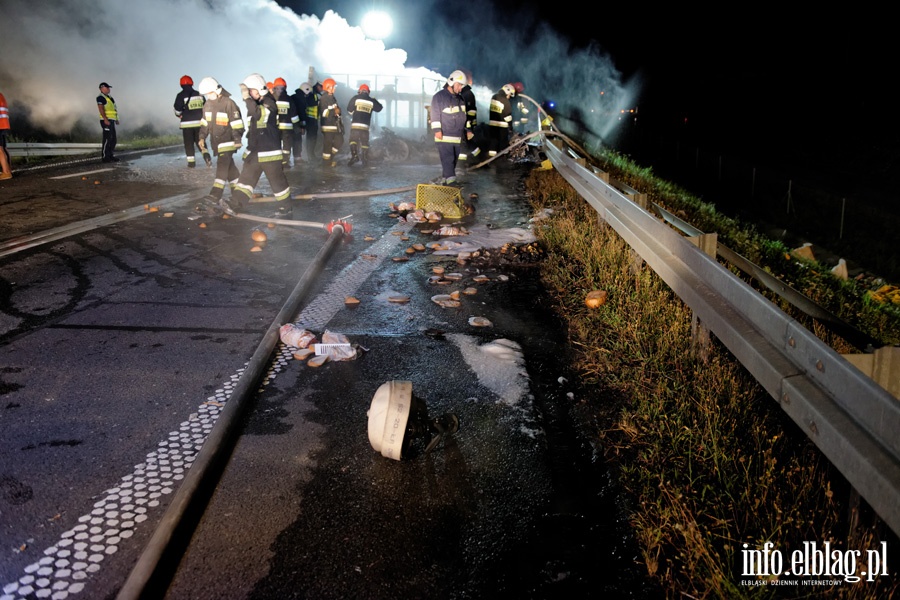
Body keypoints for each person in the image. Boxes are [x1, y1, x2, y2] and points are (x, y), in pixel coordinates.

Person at [230, 73, 291, 212]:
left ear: (259, 89)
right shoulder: (258, 104)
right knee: (245, 179)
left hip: (269, 153)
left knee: (277, 182)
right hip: (256, 152)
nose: (249, 94)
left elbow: (258, 114)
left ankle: (286, 207)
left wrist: (246, 99)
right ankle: (237, 203)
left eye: (251, 91)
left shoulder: (269, 103)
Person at [194, 77, 244, 214]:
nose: (208, 96)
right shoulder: (208, 105)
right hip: (217, 143)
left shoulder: (228, 103)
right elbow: (204, 124)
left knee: (222, 167)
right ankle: (238, 193)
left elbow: (237, 124)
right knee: (231, 170)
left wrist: (237, 138)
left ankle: (214, 195)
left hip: (228, 141)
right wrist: (201, 137)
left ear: (217, 89)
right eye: (206, 94)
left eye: (209, 93)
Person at [429, 70, 472, 185]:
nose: (461, 88)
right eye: (460, 85)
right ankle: (452, 183)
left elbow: (464, 116)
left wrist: (468, 130)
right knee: (448, 159)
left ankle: (445, 181)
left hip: (457, 137)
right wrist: (437, 130)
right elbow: (434, 114)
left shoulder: (460, 99)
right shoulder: (439, 97)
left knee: (452, 162)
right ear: (452, 83)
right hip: (444, 136)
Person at [173, 75, 210, 168]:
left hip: (187, 125)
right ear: (192, 83)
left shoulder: (180, 95)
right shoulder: (199, 94)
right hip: (199, 123)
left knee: (189, 144)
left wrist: (179, 115)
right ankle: (206, 157)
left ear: (181, 85)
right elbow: (206, 107)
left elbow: (177, 110)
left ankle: (191, 163)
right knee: (201, 141)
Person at [346, 83, 382, 166]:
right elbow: (379, 108)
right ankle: (365, 159)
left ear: (360, 91)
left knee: (353, 141)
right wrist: (373, 100)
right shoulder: (371, 100)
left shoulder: (355, 98)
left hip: (355, 125)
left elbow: (349, 110)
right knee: (365, 143)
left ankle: (355, 156)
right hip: (365, 127)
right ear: (368, 92)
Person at [273, 77, 299, 167]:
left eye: (281, 88)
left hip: (275, 127)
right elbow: (294, 114)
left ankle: (280, 162)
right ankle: (284, 162)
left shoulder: (271, 99)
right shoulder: (288, 99)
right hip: (286, 127)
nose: (279, 90)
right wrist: (296, 126)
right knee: (286, 145)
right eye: (278, 88)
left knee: (278, 144)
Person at [318, 78, 343, 167]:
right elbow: (324, 113)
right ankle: (326, 163)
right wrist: (334, 111)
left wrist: (338, 111)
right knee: (327, 145)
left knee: (339, 141)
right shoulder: (324, 99)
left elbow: (337, 110)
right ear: (328, 87)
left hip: (335, 125)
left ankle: (329, 159)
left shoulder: (332, 98)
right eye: (333, 86)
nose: (334, 88)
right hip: (328, 126)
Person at [458, 71, 481, 164]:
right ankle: (477, 158)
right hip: (467, 124)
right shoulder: (466, 94)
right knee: (469, 143)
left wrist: (469, 127)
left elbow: (469, 112)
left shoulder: (467, 94)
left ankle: (465, 164)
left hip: (467, 124)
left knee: (466, 144)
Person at [487, 83, 516, 158]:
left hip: (492, 124)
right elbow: (508, 117)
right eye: (509, 95)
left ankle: (491, 159)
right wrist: (510, 127)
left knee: (493, 143)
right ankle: (503, 160)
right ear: (507, 93)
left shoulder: (494, 97)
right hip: (502, 126)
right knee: (503, 144)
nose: (509, 97)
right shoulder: (505, 101)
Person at [291, 82, 316, 162]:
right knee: (297, 140)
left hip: (289, 122)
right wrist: (303, 126)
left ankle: (293, 158)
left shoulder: (294, 97)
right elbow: (302, 113)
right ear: (306, 90)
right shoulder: (301, 99)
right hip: (296, 123)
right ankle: (298, 158)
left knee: (291, 140)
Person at [96, 82, 119, 162]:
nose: (109, 89)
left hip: (112, 120)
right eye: (107, 87)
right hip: (106, 120)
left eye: (109, 87)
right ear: (102, 88)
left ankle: (110, 155)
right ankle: (105, 157)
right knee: (107, 139)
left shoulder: (110, 98)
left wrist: (116, 119)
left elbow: (114, 109)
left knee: (113, 139)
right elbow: (101, 109)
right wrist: (105, 119)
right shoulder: (100, 97)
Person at [0, 91, 11, 180]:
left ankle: (6, 172)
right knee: (3, 148)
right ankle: (8, 169)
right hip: (4, 124)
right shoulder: (1, 95)